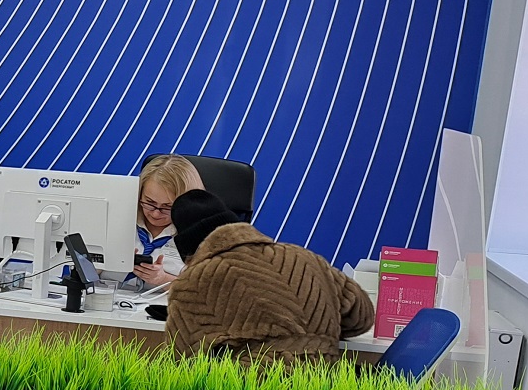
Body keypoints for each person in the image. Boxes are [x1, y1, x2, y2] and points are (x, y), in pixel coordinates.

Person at [163, 191, 374, 360]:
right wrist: (311, 332)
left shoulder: (194, 282)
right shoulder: (305, 257)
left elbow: (182, 359)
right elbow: (362, 318)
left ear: (187, 247)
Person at [132, 153, 204, 288]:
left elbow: (205, 291)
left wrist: (163, 279)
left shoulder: (202, 236)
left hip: (168, 301)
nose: (155, 213)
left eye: (168, 207)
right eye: (149, 202)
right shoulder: (119, 219)